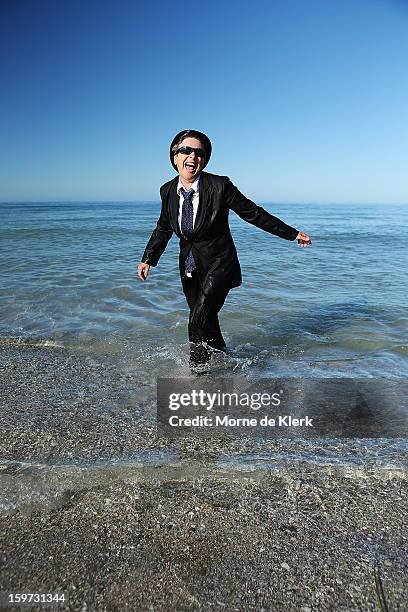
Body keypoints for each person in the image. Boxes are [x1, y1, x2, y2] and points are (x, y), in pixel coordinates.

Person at [137, 129, 311, 367]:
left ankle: (198, 375)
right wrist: (148, 258)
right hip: (189, 264)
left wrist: (291, 234)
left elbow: (253, 214)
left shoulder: (220, 186)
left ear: (205, 159)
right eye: (186, 150)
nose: (193, 156)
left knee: (197, 319)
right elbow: (164, 227)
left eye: (199, 152)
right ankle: (226, 359)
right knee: (206, 319)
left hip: (220, 263)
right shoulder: (167, 190)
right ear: (174, 156)